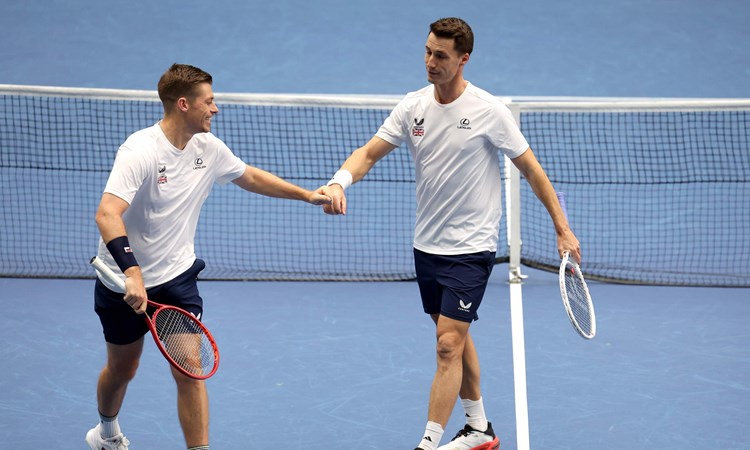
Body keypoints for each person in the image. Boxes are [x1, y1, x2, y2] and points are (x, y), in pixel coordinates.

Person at [321, 18, 580, 450]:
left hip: (472, 247)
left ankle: (428, 442)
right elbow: (368, 152)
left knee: (446, 345)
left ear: (463, 59)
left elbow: (532, 170)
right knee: (454, 337)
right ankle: (479, 428)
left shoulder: (488, 111)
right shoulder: (413, 107)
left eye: (440, 55)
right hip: (427, 245)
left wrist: (563, 229)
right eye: (427, 51)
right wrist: (338, 182)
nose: (430, 62)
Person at [86, 63, 331, 450]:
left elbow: (248, 175)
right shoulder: (140, 151)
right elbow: (106, 213)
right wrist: (132, 273)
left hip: (177, 278)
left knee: (190, 370)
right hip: (123, 279)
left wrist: (306, 195)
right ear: (184, 104)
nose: (215, 108)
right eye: (209, 101)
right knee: (123, 368)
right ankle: (107, 432)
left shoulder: (208, 147)